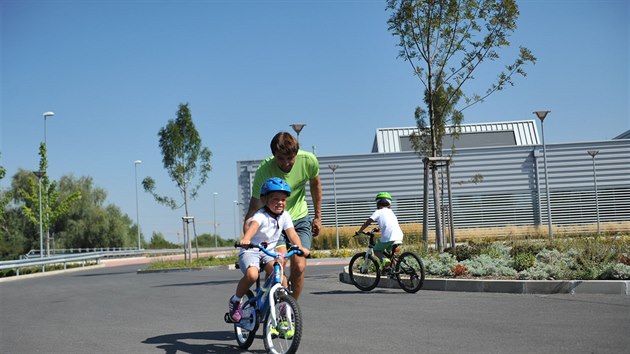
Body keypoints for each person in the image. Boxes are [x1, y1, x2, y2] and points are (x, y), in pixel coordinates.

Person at [244, 131, 321, 301]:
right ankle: (269, 301)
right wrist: (247, 235)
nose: (286, 163)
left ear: (296, 154)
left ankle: (289, 309)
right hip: (274, 222)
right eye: (280, 159)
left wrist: (317, 217)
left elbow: (315, 186)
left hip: (300, 219)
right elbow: (254, 205)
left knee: (299, 266)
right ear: (273, 156)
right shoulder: (264, 170)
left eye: (290, 158)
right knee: (279, 263)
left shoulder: (308, 161)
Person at [228, 177, 310, 323]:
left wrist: (299, 247)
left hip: (268, 253)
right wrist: (246, 239)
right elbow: (252, 228)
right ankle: (235, 301)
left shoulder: (285, 216)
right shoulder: (261, 215)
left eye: (283, 200)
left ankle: (284, 306)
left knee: (280, 277)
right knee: (252, 275)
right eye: (275, 199)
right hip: (251, 251)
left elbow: (292, 233)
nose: (280, 202)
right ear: (265, 200)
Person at [356, 192, 403, 269]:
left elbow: (368, 222)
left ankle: (386, 262)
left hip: (389, 237)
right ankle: (397, 269)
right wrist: (379, 228)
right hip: (398, 235)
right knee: (390, 252)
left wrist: (360, 231)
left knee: (376, 250)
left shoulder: (378, 212)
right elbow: (388, 223)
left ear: (378, 202)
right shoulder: (391, 212)